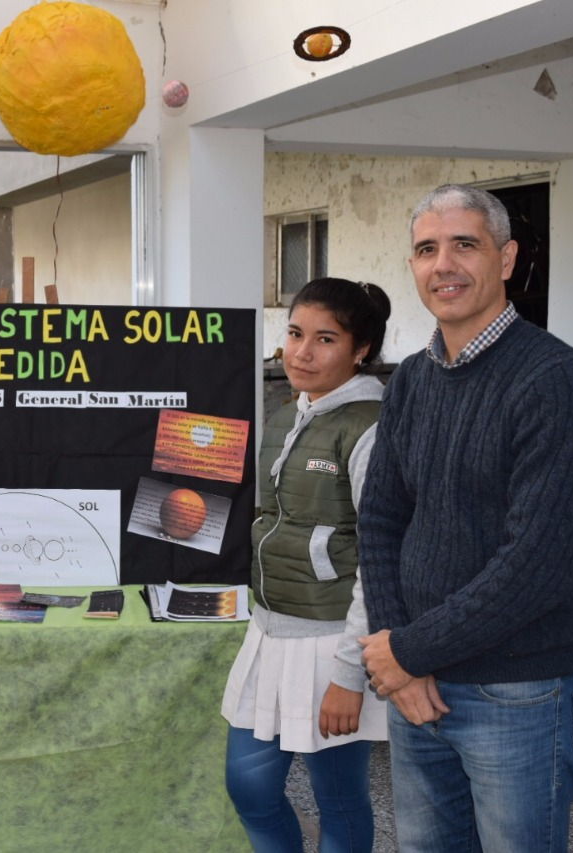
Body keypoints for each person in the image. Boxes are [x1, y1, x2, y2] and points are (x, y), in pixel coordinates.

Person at [357, 184, 573, 851]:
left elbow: (536, 563)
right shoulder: (412, 379)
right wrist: (399, 650)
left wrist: (407, 652)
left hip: (517, 693)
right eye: (426, 249)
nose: (443, 264)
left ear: (506, 259)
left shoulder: (558, 382)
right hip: (420, 687)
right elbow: (382, 518)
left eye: (464, 244)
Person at [222, 277, 393, 852]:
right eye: (295, 334)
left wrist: (350, 673)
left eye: (325, 339)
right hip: (271, 629)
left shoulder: (369, 425)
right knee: (249, 788)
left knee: (339, 798)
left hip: (332, 640)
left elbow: (381, 556)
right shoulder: (287, 413)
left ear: (360, 349)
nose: (302, 352)